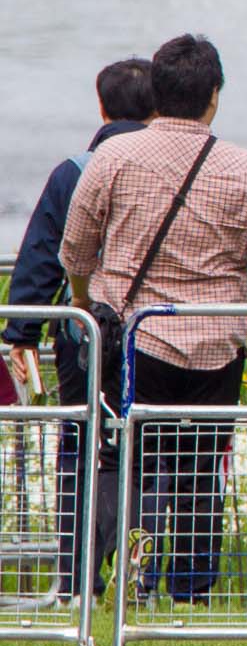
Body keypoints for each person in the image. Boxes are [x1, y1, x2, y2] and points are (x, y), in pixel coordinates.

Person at [60, 34, 247, 603]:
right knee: (197, 474)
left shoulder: (113, 158)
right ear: (214, 96)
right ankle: (189, 588)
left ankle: (115, 582)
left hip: (135, 338)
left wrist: (86, 299)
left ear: (157, 92)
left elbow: (74, 250)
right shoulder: (245, 167)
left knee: (126, 463)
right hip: (216, 344)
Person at [5, 57, 152, 600]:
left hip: (85, 332)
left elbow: (42, 256)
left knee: (82, 447)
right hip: (156, 333)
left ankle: (77, 575)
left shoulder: (73, 168)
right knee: (155, 449)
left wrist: (22, 330)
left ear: (102, 106)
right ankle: (149, 578)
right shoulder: (169, 167)